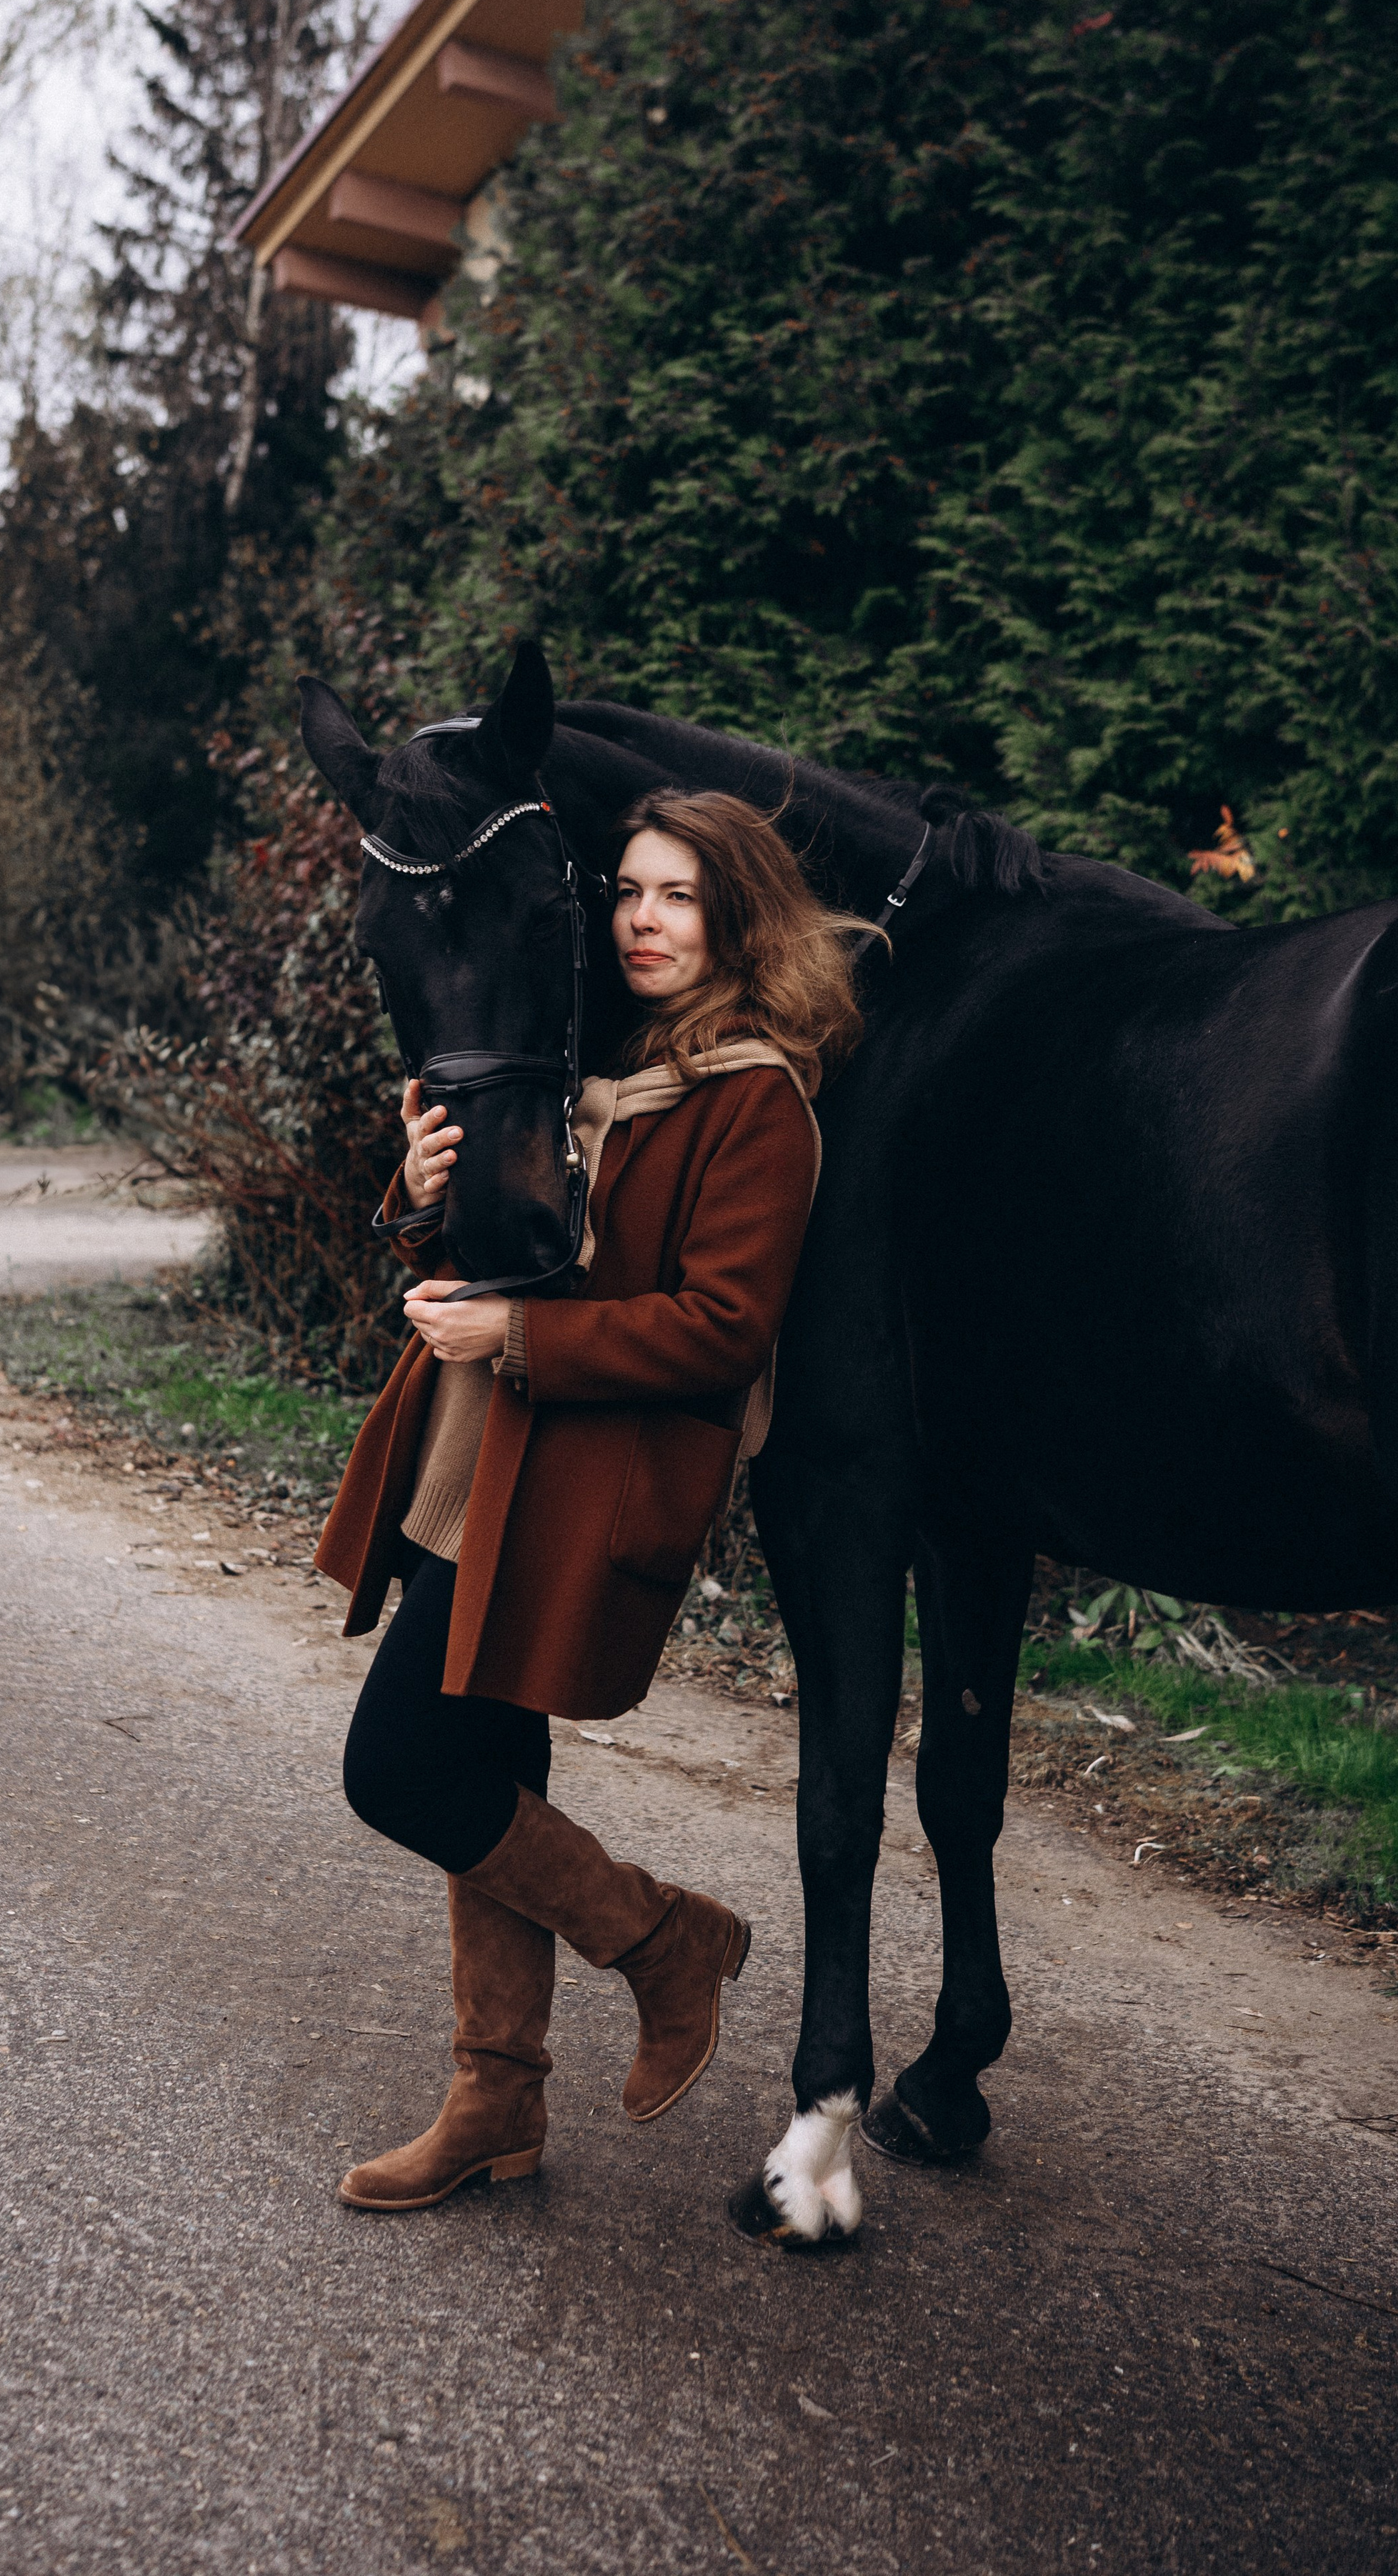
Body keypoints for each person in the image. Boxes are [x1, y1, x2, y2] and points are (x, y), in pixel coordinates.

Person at [314, 789, 871, 2211]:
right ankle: (495, 2102)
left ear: (735, 914)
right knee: (481, 1774)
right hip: (474, 1455)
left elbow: (717, 1329)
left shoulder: (758, 1101)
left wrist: (515, 1341)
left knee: (398, 1771)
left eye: (677, 896)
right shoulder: (584, 1058)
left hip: (576, 1476)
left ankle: (659, 1940)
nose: (641, 918)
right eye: (626, 891)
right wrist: (421, 1180)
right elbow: (503, 1234)